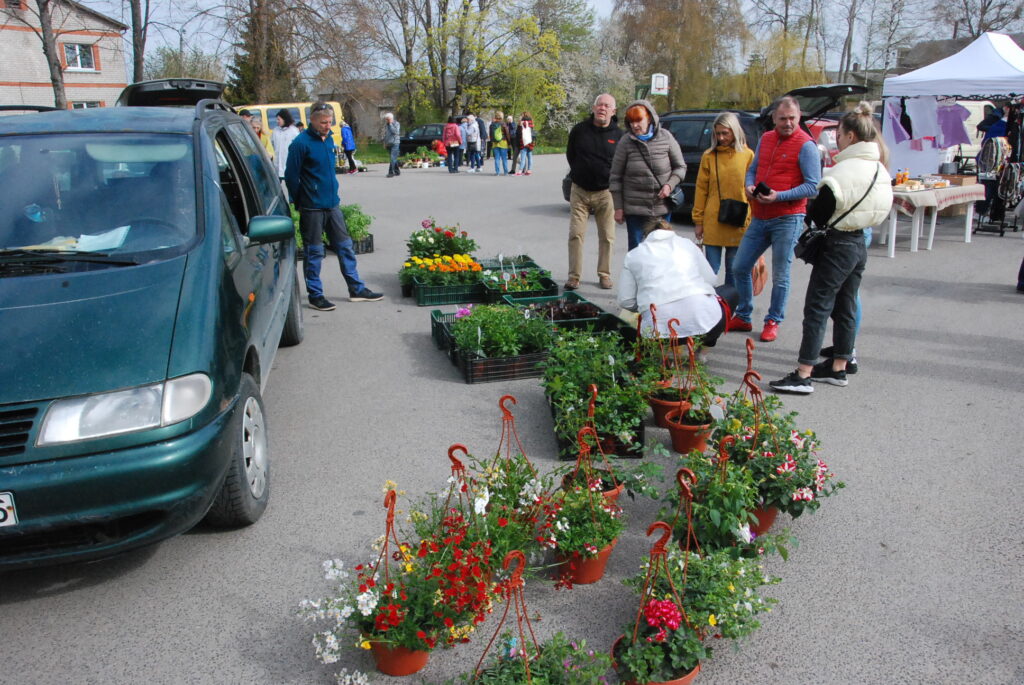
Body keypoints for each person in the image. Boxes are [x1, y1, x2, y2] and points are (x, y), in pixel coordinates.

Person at [770, 102, 892, 394]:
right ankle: (839, 366)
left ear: (850, 136)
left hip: (838, 243)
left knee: (817, 307)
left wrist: (815, 211)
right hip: (860, 241)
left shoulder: (841, 172)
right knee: (846, 305)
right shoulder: (880, 169)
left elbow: (819, 214)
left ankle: (803, 373)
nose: (836, 138)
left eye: (839, 133)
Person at [729, 96, 821, 343]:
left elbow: (813, 187)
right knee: (739, 266)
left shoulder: (806, 145)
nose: (788, 123)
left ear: (799, 117)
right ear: (774, 118)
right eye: (783, 119)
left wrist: (779, 196)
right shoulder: (766, 139)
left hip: (788, 218)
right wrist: (749, 185)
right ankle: (744, 315)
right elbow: (753, 168)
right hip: (760, 215)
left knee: (781, 274)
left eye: (792, 118)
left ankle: (773, 320)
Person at [285, 103, 383, 310]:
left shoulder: (329, 139)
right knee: (314, 252)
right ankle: (316, 295)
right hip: (312, 207)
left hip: (332, 204)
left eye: (330, 122)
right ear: (312, 120)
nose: (327, 126)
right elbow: (291, 176)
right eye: (323, 122)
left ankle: (356, 289)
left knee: (345, 247)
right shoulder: (300, 143)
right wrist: (299, 201)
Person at [618, 220, 737, 348]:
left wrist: (645, 305)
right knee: (730, 292)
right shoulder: (687, 244)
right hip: (707, 327)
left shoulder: (633, 255)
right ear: (671, 232)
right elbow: (711, 280)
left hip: (657, 334)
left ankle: (662, 350)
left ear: (647, 236)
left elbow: (626, 301)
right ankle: (704, 348)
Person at [609, 99, 686, 251]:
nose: (634, 125)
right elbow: (615, 176)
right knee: (637, 252)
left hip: (661, 208)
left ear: (649, 118)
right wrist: (618, 208)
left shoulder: (666, 137)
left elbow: (680, 167)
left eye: (638, 121)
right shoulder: (625, 142)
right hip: (635, 211)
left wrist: (669, 185)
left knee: (662, 251)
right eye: (631, 122)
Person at [565, 93, 622, 291]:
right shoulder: (579, 130)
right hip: (580, 190)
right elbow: (571, 155)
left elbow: (621, 164)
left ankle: (604, 275)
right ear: (593, 107)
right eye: (600, 104)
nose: (602, 108)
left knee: (607, 236)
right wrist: (581, 173)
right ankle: (574, 277)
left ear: (613, 111)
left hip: (606, 193)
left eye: (607, 106)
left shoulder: (619, 135)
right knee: (576, 234)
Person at [692, 112, 753, 287]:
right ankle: (709, 309)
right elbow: (701, 189)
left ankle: (730, 309)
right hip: (713, 220)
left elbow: (752, 191)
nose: (721, 138)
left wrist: (753, 219)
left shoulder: (748, 155)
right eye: (718, 133)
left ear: (735, 131)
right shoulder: (709, 156)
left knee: (734, 271)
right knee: (710, 272)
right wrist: (698, 220)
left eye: (725, 133)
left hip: (739, 220)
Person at [270, 109, 300, 179]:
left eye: (278, 119)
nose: (277, 121)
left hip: (288, 164)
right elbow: (271, 145)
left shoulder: (294, 131)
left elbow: (298, 147)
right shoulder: (275, 130)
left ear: (284, 119)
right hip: (277, 165)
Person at [490, 111, 509, 175]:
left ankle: (497, 172)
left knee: (497, 158)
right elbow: (507, 134)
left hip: (495, 144)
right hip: (503, 142)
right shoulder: (503, 124)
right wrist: (509, 143)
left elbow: (490, 135)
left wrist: (492, 141)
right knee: (504, 158)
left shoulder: (492, 125)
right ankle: (506, 172)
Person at [383, 112, 401, 178]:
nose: (387, 121)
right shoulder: (386, 125)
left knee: (392, 157)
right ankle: (397, 171)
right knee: (393, 158)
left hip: (395, 143)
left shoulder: (396, 124)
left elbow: (395, 132)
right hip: (389, 143)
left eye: (388, 119)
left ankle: (391, 172)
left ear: (391, 118)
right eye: (386, 119)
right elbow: (385, 134)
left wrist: (390, 124)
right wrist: (384, 143)